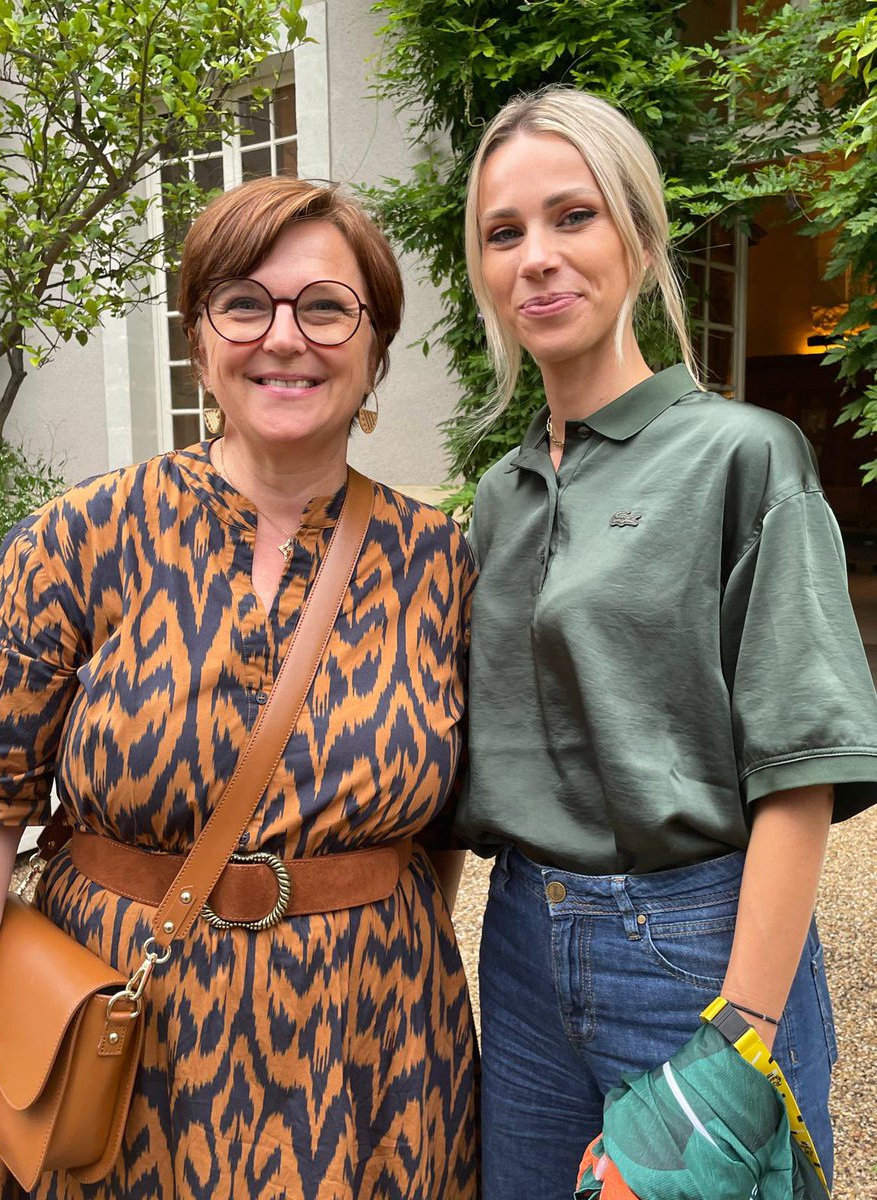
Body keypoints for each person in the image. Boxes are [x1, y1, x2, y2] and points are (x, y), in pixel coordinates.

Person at [0, 176, 478, 1200]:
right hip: (121, 1048)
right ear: (200, 339)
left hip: (375, 1053)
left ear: (375, 348)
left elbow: (448, 830)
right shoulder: (79, 541)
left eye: (326, 307)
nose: (284, 338)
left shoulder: (443, 565)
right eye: (244, 303)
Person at [453, 85, 877, 1197]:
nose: (537, 257)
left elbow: (801, 768)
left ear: (639, 238)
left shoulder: (742, 455)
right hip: (521, 947)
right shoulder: (498, 497)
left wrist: (740, 1035)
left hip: (690, 945)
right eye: (505, 233)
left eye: (572, 216)